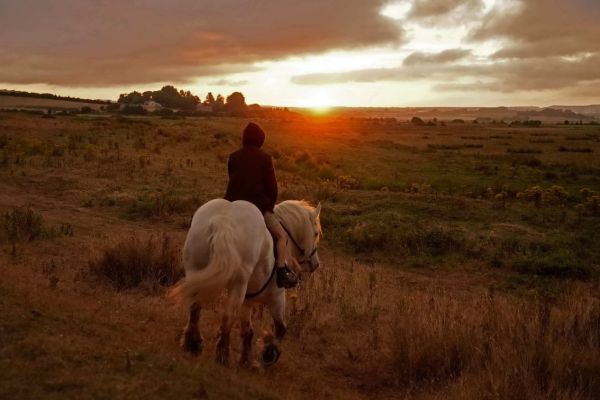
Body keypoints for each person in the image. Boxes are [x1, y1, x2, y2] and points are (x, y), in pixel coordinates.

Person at [224, 122, 298, 289]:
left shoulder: (233, 156)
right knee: (281, 236)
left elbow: (232, 178)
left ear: (244, 138)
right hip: (258, 205)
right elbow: (272, 187)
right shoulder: (265, 158)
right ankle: (281, 272)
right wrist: (269, 207)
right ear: (261, 139)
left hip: (232, 204)